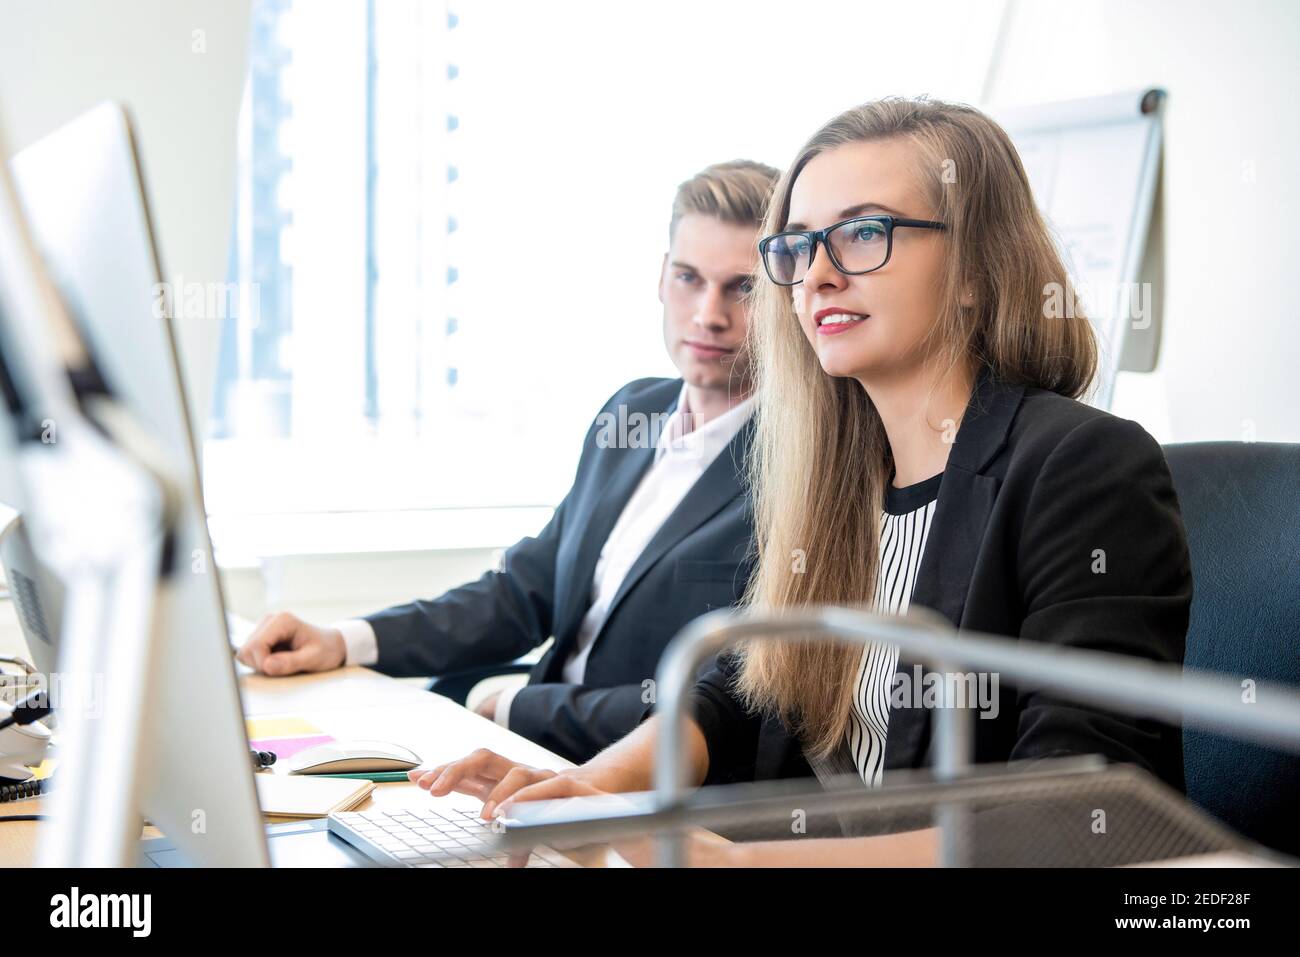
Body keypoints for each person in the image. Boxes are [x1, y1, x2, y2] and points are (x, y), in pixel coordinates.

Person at [412, 97, 1192, 866]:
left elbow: (1084, 817)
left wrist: (738, 865)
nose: (815, 275)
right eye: (797, 245)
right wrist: (585, 791)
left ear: (975, 272)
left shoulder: (1082, 466)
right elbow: (746, 688)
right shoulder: (836, 476)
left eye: (862, 233)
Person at [237, 159, 780, 763]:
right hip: (528, 753)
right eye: (688, 278)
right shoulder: (632, 412)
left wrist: (516, 707)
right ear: (660, 278)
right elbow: (525, 591)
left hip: (627, 779)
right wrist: (342, 640)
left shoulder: (795, 470)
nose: (708, 314)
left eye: (743, 288)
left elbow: (733, 702)